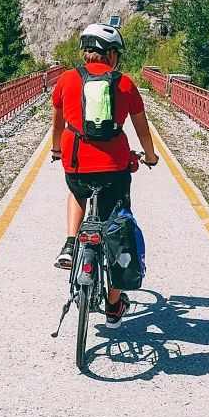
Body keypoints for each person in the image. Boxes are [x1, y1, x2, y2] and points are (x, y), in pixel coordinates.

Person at [51, 21, 159, 326]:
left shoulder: (67, 80)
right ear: (109, 55)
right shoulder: (124, 84)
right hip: (115, 168)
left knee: (77, 192)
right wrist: (150, 157)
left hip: (75, 164)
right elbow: (142, 129)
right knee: (118, 228)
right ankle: (113, 306)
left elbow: (57, 125)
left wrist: (57, 151)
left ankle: (71, 244)